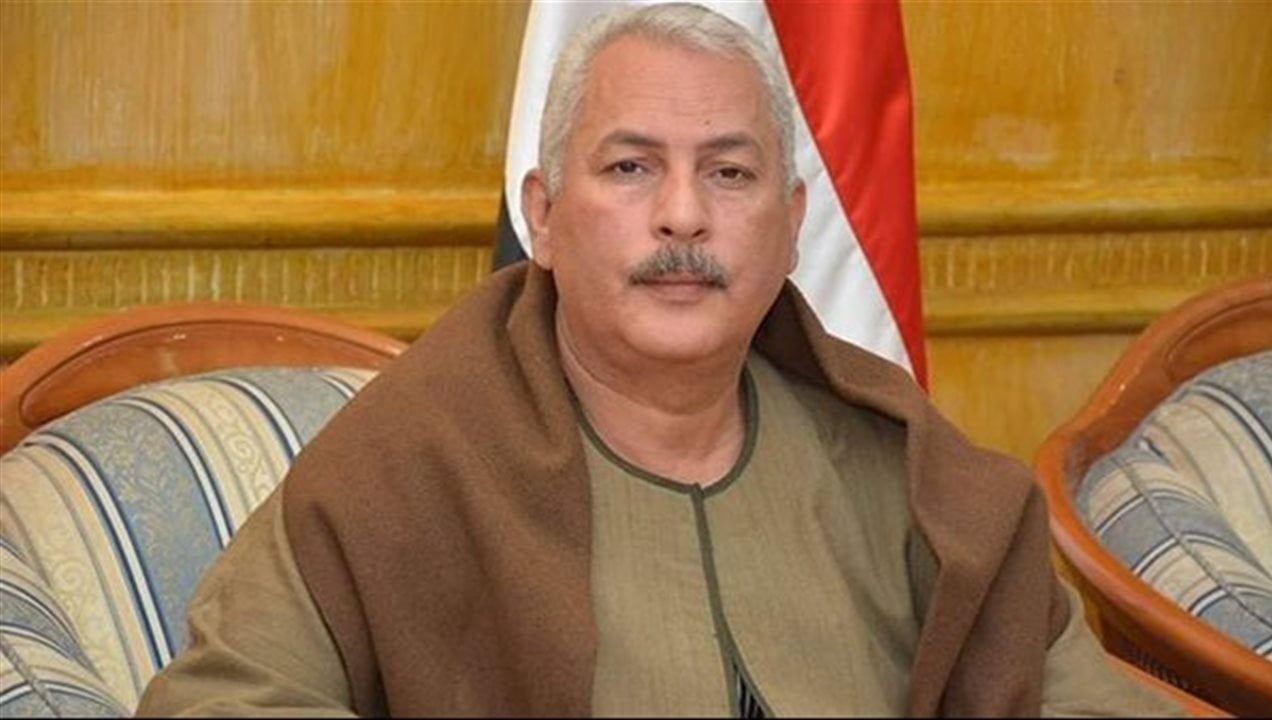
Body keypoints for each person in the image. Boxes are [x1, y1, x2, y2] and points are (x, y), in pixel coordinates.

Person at [138, 4, 1182, 717]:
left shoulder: (896, 463)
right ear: (543, 216)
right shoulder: (409, 459)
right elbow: (223, 703)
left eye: (728, 173)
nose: (683, 215)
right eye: (631, 167)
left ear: (791, 223)